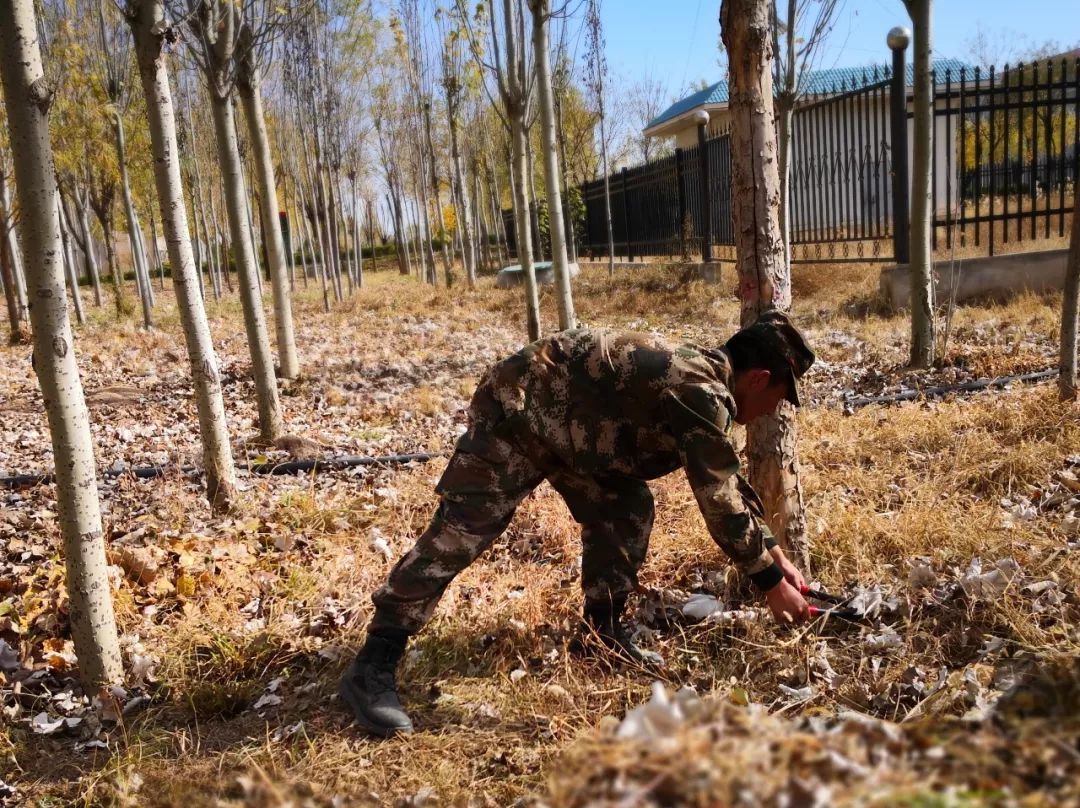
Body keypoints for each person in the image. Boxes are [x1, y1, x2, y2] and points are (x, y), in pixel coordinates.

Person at [339, 310, 816, 736]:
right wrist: (771, 584)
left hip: (576, 431)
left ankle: (600, 634)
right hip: (520, 408)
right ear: (759, 378)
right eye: (779, 396)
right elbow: (718, 502)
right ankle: (374, 660)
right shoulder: (702, 392)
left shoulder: (706, 379)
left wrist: (777, 556)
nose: (774, 409)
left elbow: (728, 484)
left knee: (625, 510)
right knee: (462, 532)